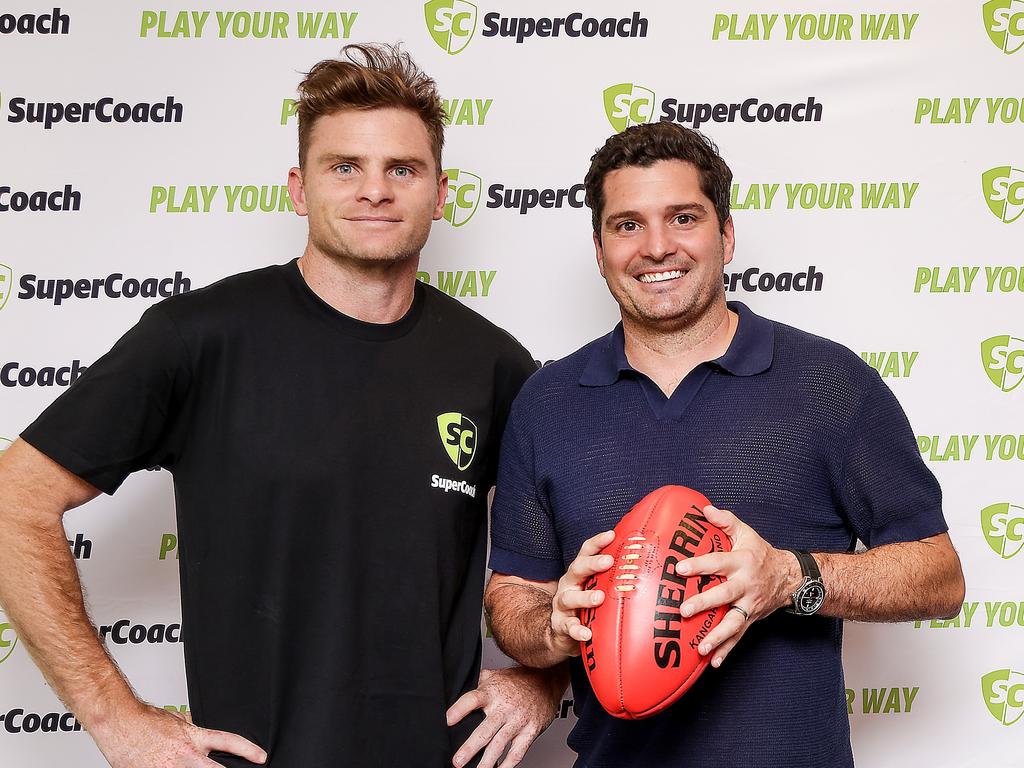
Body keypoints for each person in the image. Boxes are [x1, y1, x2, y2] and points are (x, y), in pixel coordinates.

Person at [0, 44, 565, 768]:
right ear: (299, 189)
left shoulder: (495, 364)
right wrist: (114, 717)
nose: (375, 190)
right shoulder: (198, 338)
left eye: (402, 169)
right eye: (344, 167)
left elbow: (566, 551)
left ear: (441, 192)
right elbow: (16, 499)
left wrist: (543, 677)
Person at [482, 121, 965, 768]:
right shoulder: (548, 401)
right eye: (627, 225)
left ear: (727, 235)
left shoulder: (829, 383)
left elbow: (939, 576)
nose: (657, 247)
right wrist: (549, 626)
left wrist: (789, 578)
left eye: (683, 217)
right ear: (599, 250)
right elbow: (512, 596)